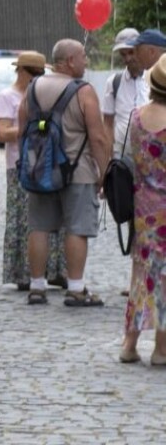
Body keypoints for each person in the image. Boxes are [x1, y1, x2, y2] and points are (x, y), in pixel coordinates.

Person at [20, 39, 110, 307]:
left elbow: (22, 126)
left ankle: (37, 287)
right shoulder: (83, 91)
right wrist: (103, 172)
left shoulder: (33, 87)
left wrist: (28, 163)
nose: (86, 61)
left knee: (39, 227)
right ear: (69, 60)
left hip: (40, 168)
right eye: (83, 57)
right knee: (77, 229)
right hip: (77, 170)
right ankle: (76, 288)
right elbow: (98, 138)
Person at [0, 51, 67, 290]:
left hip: (47, 163)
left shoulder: (41, 95)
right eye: (35, 73)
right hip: (20, 165)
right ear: (22, 71)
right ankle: (23, 273)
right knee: (23, 218)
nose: (39, 77)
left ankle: (54, 269)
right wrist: (30, 129)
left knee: (53, 216)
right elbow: (2, 132)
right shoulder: (7, 96)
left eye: (41, 73)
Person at [120, 54, 166, 365]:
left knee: (142, 274)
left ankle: (128, 345)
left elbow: (127, 158)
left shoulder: (136, 117)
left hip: (143, 207)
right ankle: (161, 350)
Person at [103, 28, 147, 157]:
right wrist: (109, 157)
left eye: (131, 52)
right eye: (123, 54)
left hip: (152, 156)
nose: (127, 58)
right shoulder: (114, 82)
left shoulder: (154, 78)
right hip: (123, 155)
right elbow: (107, 123)